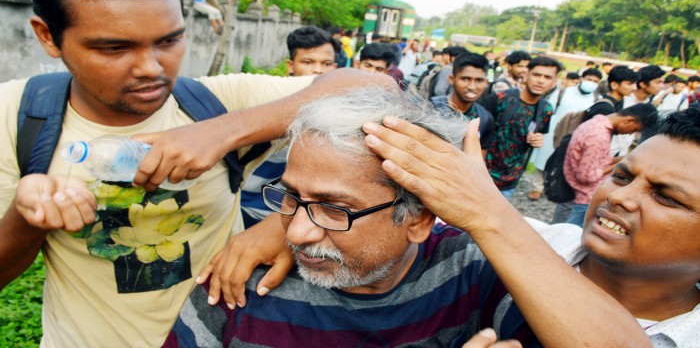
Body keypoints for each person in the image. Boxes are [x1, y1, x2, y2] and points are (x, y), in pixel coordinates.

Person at [0, 0, 395, 347]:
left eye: (169, 40)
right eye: (114, 48)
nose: (151, 67)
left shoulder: (219, 101)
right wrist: (25, 216)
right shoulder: (16, 117)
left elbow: (378, 89)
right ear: (48, 35)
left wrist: (224, 135)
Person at [167, 87, 650, 348]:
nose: (295, 231)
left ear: (419, 219)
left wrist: (492, 215)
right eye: (290, 197)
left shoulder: (476, 272)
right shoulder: (240, 283)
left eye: (337, 208)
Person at [239, 26, 339, 227]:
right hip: (245, 208)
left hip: (293, 217)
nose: (318, 70)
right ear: (291, 66)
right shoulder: (269, 102)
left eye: (326, 63)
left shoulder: (336, 113)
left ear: (335, 69)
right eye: (308, 62)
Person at [563, 104, 657, 226]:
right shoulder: (598, 135)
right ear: (629, 120)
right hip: (584, 196)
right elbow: (586, 176)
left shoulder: (595, 124)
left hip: (580, 194)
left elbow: (597, 160)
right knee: (570, 233)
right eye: (634, 130)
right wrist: (617, 166)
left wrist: (622, 159)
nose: (629, 134)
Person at [483, 56, 560, 200]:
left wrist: (536, 140)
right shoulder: (500, 99)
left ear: (554, 82)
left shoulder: (546, 109)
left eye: (547, 77)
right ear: (526, 75)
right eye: (536, 75)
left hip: (510, 182)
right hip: (482, 176)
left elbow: (537, 134)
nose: (541, 81)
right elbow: (477, 132)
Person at [528, 68, 602, 200]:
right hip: (554, 130)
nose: (591, 83)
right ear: (581, 79)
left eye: (595, 81)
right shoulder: (564, 92)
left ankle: (553, 188)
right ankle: (537, 187)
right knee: (544, 159)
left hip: (577, 135)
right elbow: (548, 109)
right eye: (589, 79)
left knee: (565, 162)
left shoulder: (596, 98)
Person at [430, 52, 495, 154]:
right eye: (465, 79)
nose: (472, 87)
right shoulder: (431, 109)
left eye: (479, 80)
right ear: (452, 79)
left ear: (486, 83)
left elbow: (479, 161)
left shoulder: (485, 118)